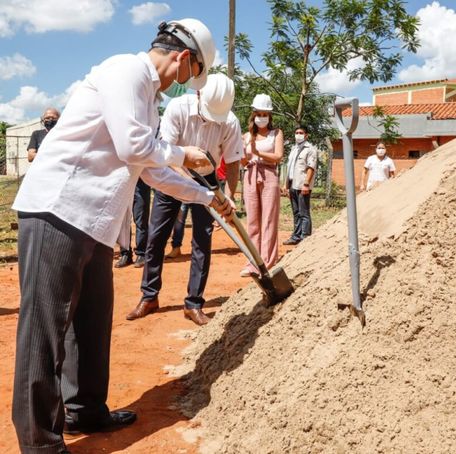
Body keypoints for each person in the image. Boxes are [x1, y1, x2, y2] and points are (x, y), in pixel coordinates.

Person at [10, 19, 235, 454]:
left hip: (94, 223)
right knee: (45, 328)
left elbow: (151, 170)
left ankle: (86, 409)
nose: (191, 83)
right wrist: (183, 154)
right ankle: (39, 442)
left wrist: (206, 197)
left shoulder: (148, 98)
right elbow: (137, 148)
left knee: (91, 323)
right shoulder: (124, 71)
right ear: (183, 58)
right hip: (58, 209)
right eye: (195, 74)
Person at [126, 73, 242, 326]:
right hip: (171, 177)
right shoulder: (177, 108)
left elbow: (233, 162)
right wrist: (189, 186)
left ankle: (194, 303)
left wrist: (229, 196)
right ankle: (149, 296)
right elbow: (165, 154)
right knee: (157, 237)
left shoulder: (230, 121)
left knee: (202, 240)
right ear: (199, 95)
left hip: (210, 183)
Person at [240, 94, 284, 277]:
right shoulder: (246, 135)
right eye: (258, 113)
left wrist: (258, 153)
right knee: (252, 221)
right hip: (250, 174)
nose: (261, 117)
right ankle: (253, 262)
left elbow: (278, 156)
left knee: (268, 220)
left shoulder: (277, 133)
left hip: (269, 175)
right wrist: (243, 153)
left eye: (265, 114)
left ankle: (268, 261)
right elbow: (243, 162)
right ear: (253, 114)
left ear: (270, 115)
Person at [282, 125, 318, 246]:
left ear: (306, 135)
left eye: (301, 132)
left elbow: (311, 167)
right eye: (296, 132)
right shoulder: (294, 149)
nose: (298, 134)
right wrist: (286, 185)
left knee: (304, 213)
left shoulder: (311, 149)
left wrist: (306, 184)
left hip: (303, 185)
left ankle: (305, 237)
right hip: (293, 184)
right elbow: (289, 168)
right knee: (296, 212)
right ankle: (296, 236)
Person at [115, 178, 152, 268]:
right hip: (123, 184)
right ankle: (125, 254)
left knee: (141, 221)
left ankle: (141, 254)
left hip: (141, 184)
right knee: (123, 222)